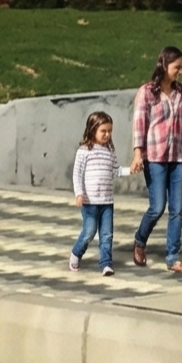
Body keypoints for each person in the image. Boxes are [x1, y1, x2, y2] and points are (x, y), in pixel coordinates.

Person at [128, 45, 182, 273]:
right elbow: (139, 124)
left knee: (177, 209)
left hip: (180, 156)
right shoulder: (147, 92)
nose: (180, 72)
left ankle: (172, 257)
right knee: (157, 207)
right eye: (177, 67)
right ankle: (140, 239)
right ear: (165, 66)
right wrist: (138, 153)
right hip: (155, 156)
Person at [69, 111, 119, 276]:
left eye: (109, 131)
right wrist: (79, 193)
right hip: (90, 202)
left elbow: (115, 171)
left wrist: (131, 170)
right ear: (93, 130)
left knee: (107, 234)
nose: (107, 134)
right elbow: (77, 174)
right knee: (89, 232)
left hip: (107, 202)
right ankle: (76, 253)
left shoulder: (110, 152)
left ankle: (106, 263)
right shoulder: (84, 151)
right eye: (103, 131)